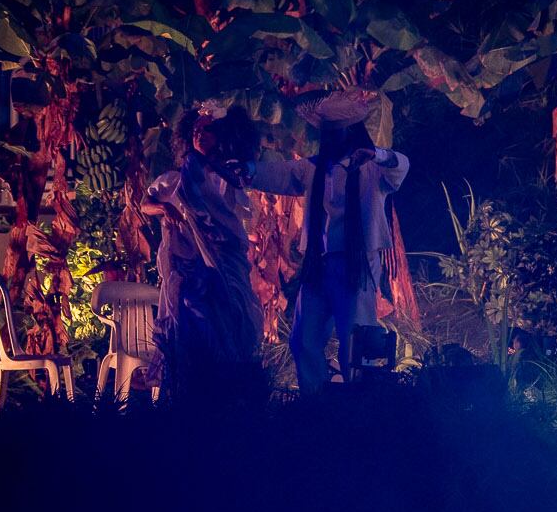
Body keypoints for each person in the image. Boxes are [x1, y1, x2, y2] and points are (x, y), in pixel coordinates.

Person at [240, 89, 410, 390]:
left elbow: (402, 165)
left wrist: (377, 153)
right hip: (319, 264)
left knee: (354, 345)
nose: (332, 136)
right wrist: (247, 169)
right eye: (328, 131)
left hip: (357, 265)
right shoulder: (313, 168)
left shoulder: (372, 168)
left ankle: (358, 408)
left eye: (338, 130)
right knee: (304, 339)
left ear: (351, 130)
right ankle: (314, 404)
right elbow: (277, 174)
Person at [140, 107, 262, 404]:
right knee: (190, 312)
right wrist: (165, 208)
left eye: (206, 129)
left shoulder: (226, 177)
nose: (199, 134)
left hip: (224, 260)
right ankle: (188, 391)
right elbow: (146, 203)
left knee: (229, 314)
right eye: (195, 129)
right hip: (189, 265)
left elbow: (239, 214)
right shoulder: (174, 179)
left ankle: (232, 391)